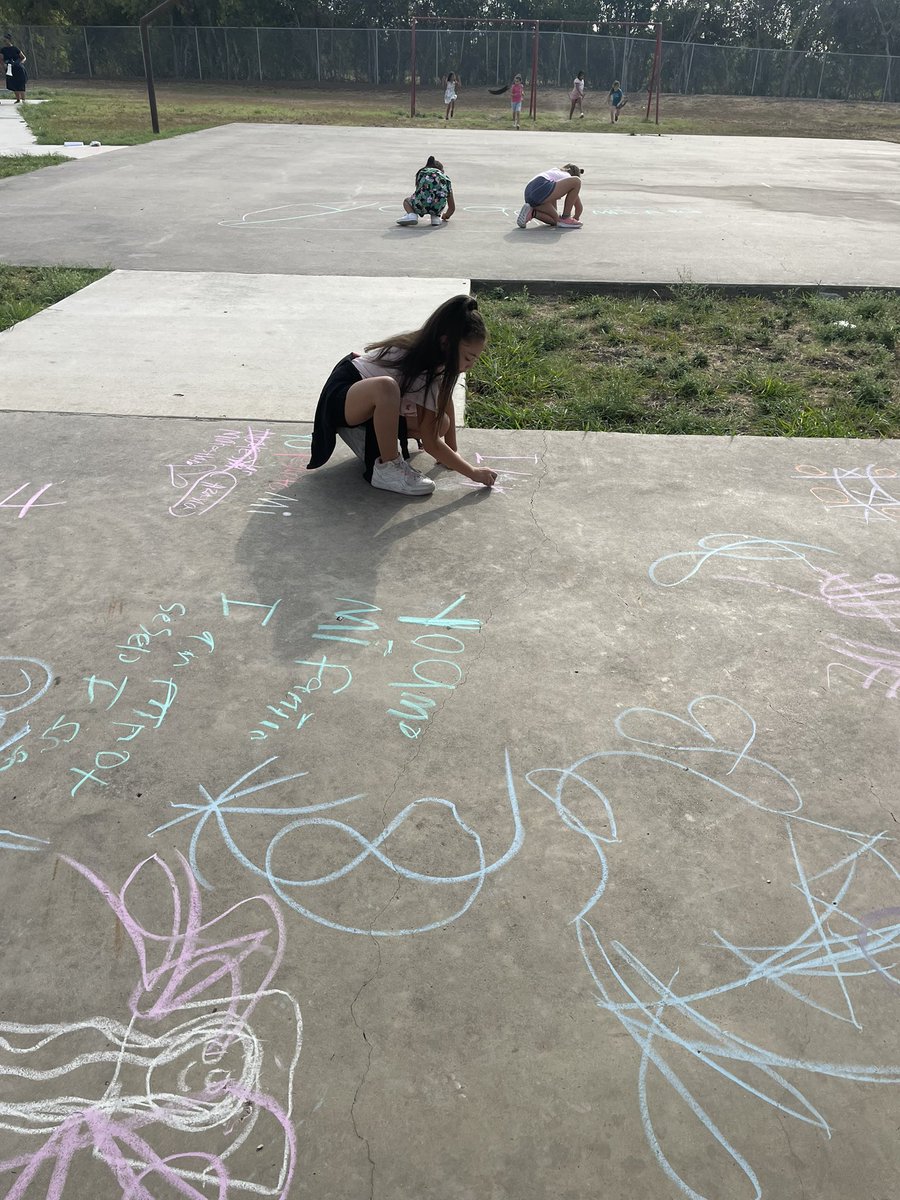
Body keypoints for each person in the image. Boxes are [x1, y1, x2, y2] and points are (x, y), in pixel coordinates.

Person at [308, 296, 498, 497]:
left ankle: (360, 434)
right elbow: (431, 442)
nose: (471, 365)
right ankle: (388, 467)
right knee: (386, 387)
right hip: (344, 394)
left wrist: (452, 451)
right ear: (445, 343)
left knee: (440, 422)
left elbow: (443, 400)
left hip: (368, 402)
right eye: (468, 358)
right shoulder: (420, 359)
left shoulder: (438, 362)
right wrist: (473, 472)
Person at [517, 164, 584, 229]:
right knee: (577, 181)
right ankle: (566, 217)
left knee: (556, 220)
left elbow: (553, 197)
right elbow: (578, 207)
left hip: (530, 195)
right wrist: (576, 217)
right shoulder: (566, 175)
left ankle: (532, 213)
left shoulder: (554, 173)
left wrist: (557, 216)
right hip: (540, 187)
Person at [396, 155, 456, 227]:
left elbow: (418, 192)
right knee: (439, 198)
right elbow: (452, 207)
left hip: (421, 205)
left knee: (406, 201)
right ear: (441, 171)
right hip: (437, 207)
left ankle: (412, 215)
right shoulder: (446, 179)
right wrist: (446, 216)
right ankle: (435, 218)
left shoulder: (422, 172)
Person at [2, 35, 27, 104]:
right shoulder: (3, 50)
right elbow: (1, 59)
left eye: (5, 40)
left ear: (9, 40)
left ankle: (23, 100)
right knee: (13, 83)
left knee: (21, 83)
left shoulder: (15, 48)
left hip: (18, 68)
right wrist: (3, 65)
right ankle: (18, 99)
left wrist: (20, 63)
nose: (4, 41)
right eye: (3, 40)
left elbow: (24, 57)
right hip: (9, 68)